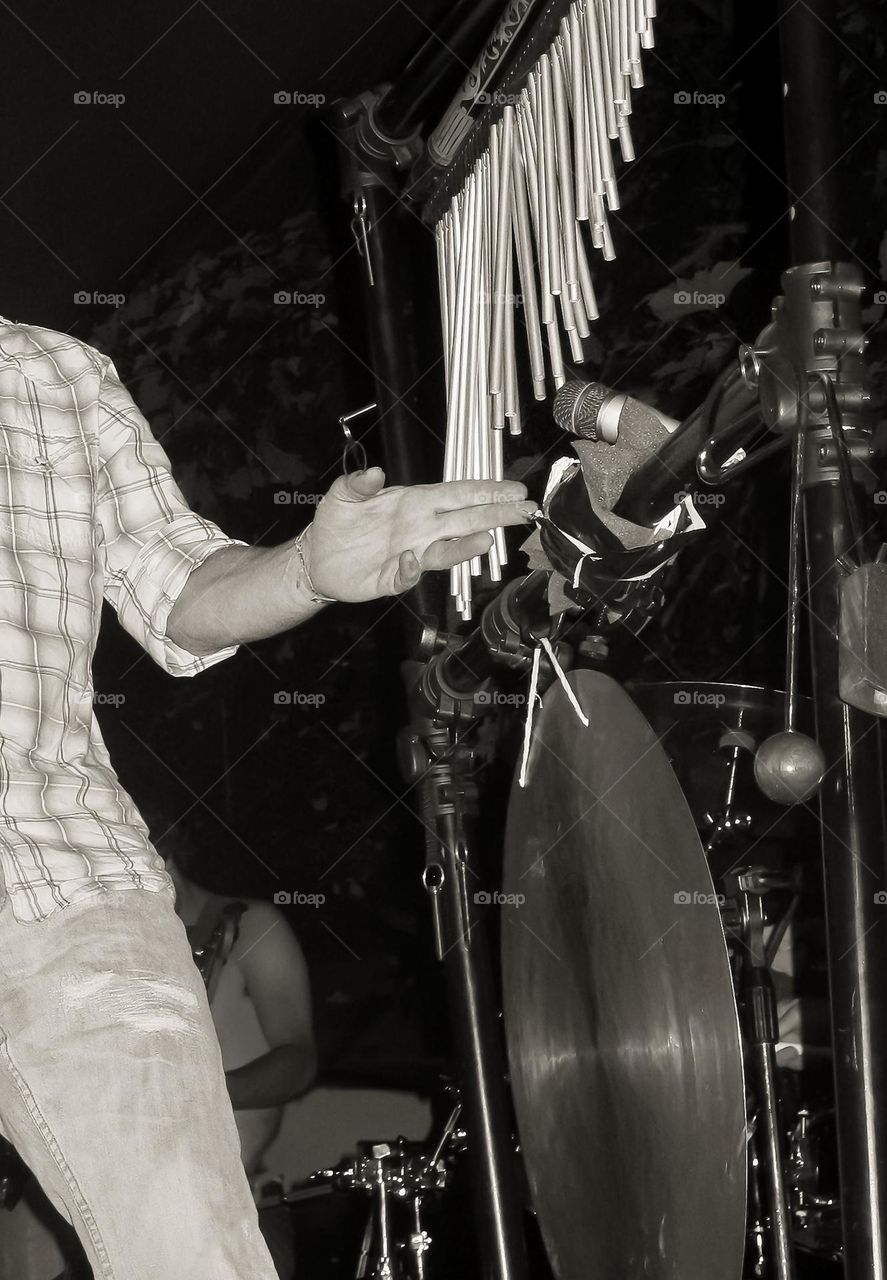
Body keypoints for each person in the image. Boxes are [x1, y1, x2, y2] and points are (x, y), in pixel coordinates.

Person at [0, 315, 535, 1280]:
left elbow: (175, 588)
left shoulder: (57, 370)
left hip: (66, 872)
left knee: (191, 1248)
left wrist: (304, 571)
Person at [167, 843, 316, 1279]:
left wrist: (209, 1092)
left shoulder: (254, 926)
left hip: (235, 1213)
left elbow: (299, 1059)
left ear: (163, 853)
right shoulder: (113, 942)